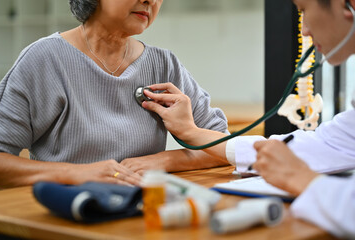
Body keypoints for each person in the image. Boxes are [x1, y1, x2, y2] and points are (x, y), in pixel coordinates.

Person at [140, 0, 355, 237]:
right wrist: (193, 133)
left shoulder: (163, 63)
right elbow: (327, 145)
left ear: (348, 4)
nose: (303, 30)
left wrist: (302, 180)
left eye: (303, 10)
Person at [0, 0, 229, 189]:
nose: (151, 1)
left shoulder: (164, 64)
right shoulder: (45, 59)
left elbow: (223, 146)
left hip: (136, 212)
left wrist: (163, 160)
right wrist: (75, 173)